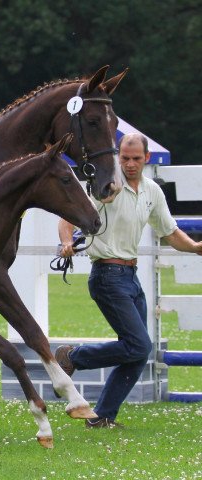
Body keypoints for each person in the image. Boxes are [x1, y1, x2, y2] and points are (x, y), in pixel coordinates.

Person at [56, 132, 202, 428]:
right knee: (138, 346)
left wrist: (197, 248)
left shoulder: (152, 192)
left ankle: (101, 417)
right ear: (117, 157)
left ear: (147, 158)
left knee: (138, 352)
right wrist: (65, 241)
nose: (131, 164)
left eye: (136, 158)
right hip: (107, 276)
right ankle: (73, 357)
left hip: (130, 277)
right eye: (125, 158)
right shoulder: (105, 185)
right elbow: (68, 215)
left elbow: (170, 232)